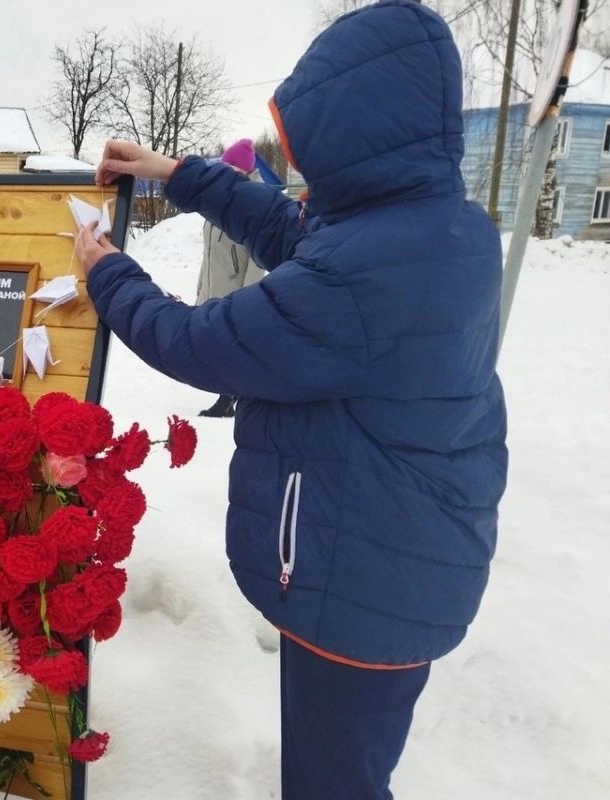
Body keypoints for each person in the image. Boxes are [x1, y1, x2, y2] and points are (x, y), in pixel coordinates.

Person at [74, 1, 508, 797]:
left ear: (360, 130)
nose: (306, 161)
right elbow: (293, 232)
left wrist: (107, 272)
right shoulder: (438, 227)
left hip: (363, 577)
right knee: (343, 766)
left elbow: (200, 341)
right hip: (395, 557)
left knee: (333, 782)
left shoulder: (368, 272)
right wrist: (178, 173)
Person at [196, 138, 267, 419]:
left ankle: (232, 398)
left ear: (245, 171)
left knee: (234, 345)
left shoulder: (256, 201)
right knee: (221, 345)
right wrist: (202, 287)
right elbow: (210, 252)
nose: (225, 172)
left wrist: (250, 297)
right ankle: (230, 395)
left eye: (231, 168)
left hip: (238, 290)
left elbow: (257, 259)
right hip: (217, 286)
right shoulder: (220, 199)